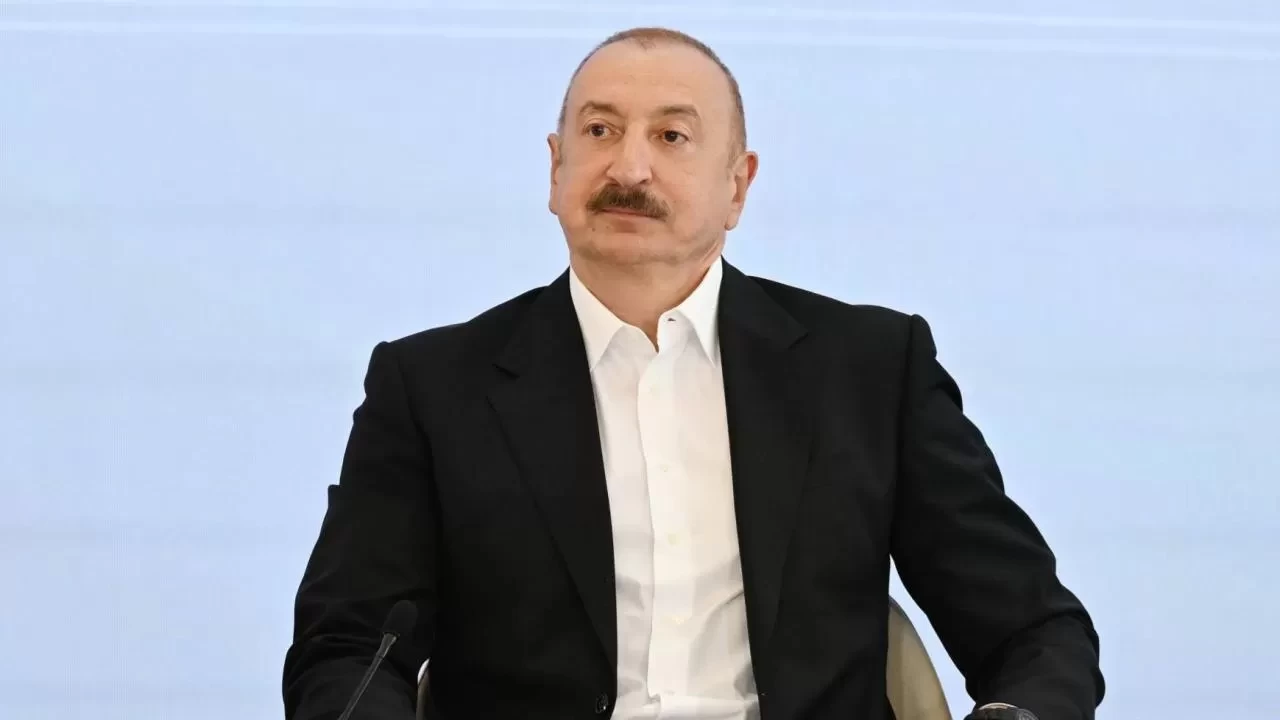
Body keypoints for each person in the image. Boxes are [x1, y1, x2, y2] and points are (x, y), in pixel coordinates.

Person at [282, 27, 1103, 720]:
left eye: (672, 137)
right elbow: (348, 646)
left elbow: (1035, 633)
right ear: (556, 169)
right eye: (599, 131)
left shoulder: (869, 371)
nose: (629, 169)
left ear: (737, 185)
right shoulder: (433, 388)